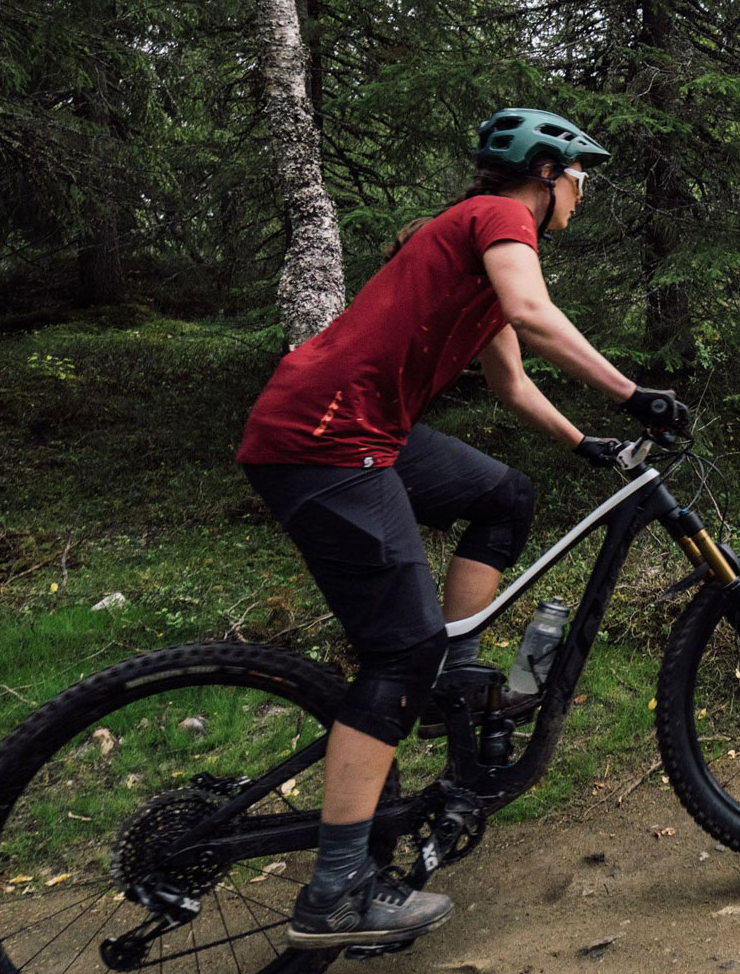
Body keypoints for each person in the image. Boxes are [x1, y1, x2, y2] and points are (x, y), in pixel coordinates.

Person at [236, 107, 689, 951]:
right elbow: (536, 313)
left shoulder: (481, 246)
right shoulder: (500, 217)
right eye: (579, 179)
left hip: (367, 433)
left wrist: (583, 439)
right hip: (326, 442)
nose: (582, 196)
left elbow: (512, 381)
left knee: (504, 496)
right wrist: (636, 396)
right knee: (395, 651)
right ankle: (336, 892)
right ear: (546, 175)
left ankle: (451, 678)